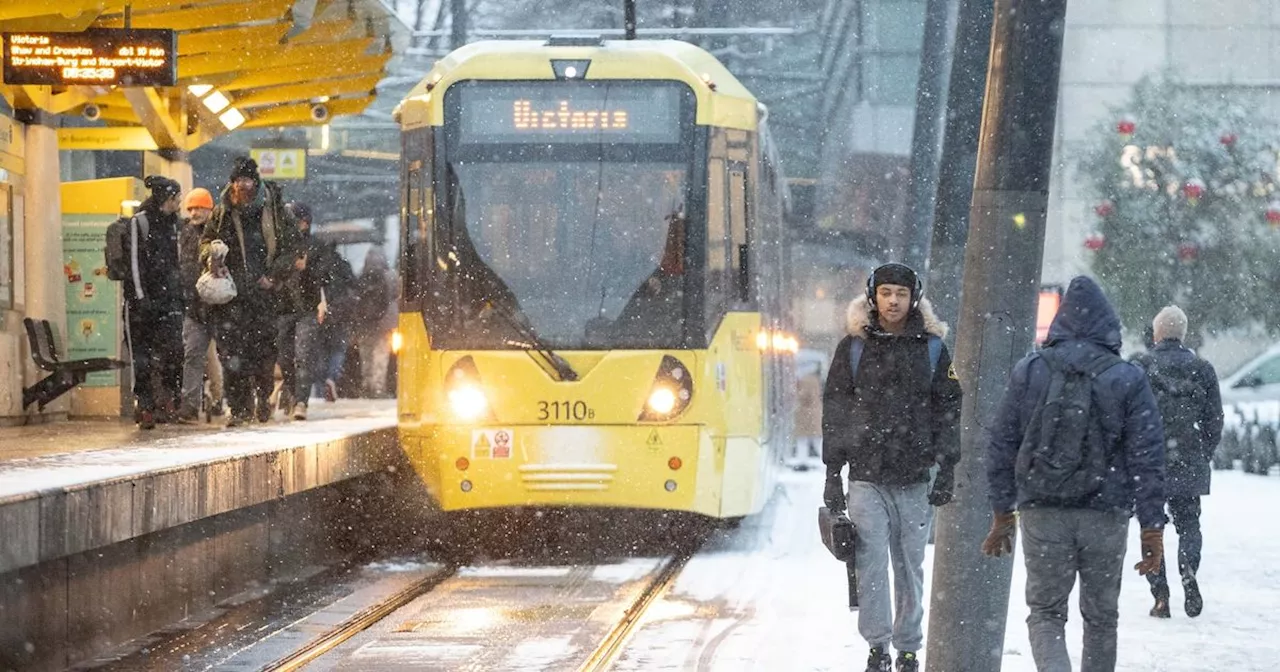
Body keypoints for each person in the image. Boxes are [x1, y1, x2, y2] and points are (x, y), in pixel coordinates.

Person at [982, 276, 1167, 672]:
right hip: (1106, 513)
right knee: (1101, 618)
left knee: (1046, 613)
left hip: (1042, 510)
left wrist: (1002, 511)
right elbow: (1147, 456)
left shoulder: (1030, 370)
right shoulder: (1128, 377)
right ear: (1109, 324)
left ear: (1061, 322)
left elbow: (1001, 442)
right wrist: (1152, 527)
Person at [821, 262, 962, 672]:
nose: (893, 301)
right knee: (869, 563)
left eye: (900, 293)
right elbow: (836, 411)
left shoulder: (933, 349)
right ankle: (878, 648)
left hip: (915, 477)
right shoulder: (852, 348)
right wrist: (833, 473)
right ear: (873, 296)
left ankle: (908, 649)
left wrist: (947, 468)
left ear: (913, 297)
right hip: (866, 476)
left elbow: (948, 408)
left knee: (909, 566)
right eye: (885, 293)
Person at [1130, 305, 1223, 619]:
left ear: (1156, 333)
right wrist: (1203, 453)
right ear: (1183, 334)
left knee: (1151, 528)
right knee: (1190, 525)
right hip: (1189, 458)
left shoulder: (1141, 366)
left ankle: (1161, 597)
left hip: (1149, 462)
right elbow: (1215, 420)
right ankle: (1188, 569)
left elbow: (1128, 416)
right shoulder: (1203, 369)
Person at [200, 157, 301, 426]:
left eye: (245, 181)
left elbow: (292, 248)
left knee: (263, 354)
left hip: (265, 294)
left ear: (255, 183)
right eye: (236, 182)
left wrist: (272, 275)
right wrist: (211, 257)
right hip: (231, 296)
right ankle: (239, 409)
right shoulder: (222, 212)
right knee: (231, 353)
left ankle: (262, 396)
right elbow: (206, 242)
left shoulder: (275, 209)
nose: (240, 187)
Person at [124, 175, 185, 429]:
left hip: (167, 300)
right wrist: (140, 297)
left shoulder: (172, 224)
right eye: (175, 198)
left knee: (174, 350)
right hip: (142, 303)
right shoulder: (140, 222)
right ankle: (145, 404)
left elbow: (174, 263)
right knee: (142, 356)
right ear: (165, 199)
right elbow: (134, 264)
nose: (178, 203)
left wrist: (178, 296)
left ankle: (169, 397)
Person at [176, 187, 224, 423]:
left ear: (210, 209)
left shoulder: (219, 232)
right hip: (194, 306)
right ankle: (190, 406)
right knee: (193, 355)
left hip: (218, 305)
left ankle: (223, 399)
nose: (194, 212)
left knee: (224, 355)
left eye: (199, 207)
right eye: (191, 208)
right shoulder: (184, 233)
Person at [352, 246, 397, 397]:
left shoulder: (361, 275)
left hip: (364, 322)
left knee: (365, 355)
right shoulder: (391, 275)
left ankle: (366, 385)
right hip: (385, 321)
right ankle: (378, 387)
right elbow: (396, 295)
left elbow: (355, 297)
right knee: (381, 354)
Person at [792, 360, 823, 469]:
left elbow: (804, 396)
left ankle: (802, 461)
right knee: (815, 439)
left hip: (806, 413)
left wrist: (796, 392)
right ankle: (826, 461)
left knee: (803, 439)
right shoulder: (814, 379)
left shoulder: (806, 380)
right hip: (813, 413)